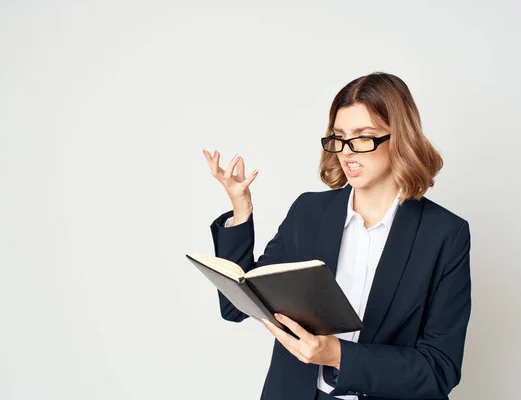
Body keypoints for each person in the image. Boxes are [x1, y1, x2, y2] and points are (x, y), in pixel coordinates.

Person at [202, 72, 471, 400]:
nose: (347, 152)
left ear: (400, 137)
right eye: (339, 137)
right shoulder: (309, 212)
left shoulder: (444, 234)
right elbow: (237, 306)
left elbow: (439, 370)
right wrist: (241, 209)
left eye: (363, 137)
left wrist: (336, 355)